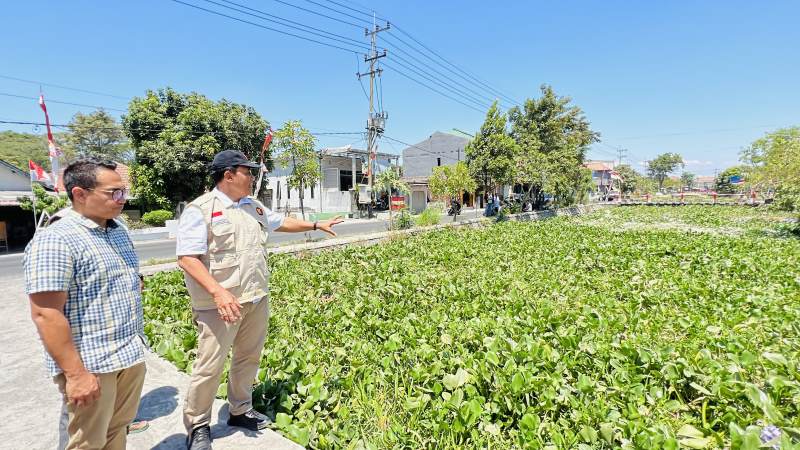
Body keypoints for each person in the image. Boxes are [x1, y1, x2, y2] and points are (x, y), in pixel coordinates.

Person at [177, 149, 342, 450]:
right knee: (209, 365)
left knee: (248, 357)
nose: (252, 177)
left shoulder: (252, 205)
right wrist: (218, 292)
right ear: (228, 175)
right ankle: (198, 425)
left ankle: (240, 410)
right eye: (247, 172)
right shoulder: (200, 210)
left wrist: (316, 225)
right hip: (219, 305)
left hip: (254, 298)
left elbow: (280, 222)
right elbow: (188, 258)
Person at [24, 158, 146, 450]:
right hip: (92, 363)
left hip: (128, 353)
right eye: (114, 193)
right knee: (87, 443)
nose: (122, 199)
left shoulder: (117, 230)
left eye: (124, 191)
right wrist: (76, 375)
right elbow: (45, 314)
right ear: (80, 194)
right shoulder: (56, 239)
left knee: (116, 432)